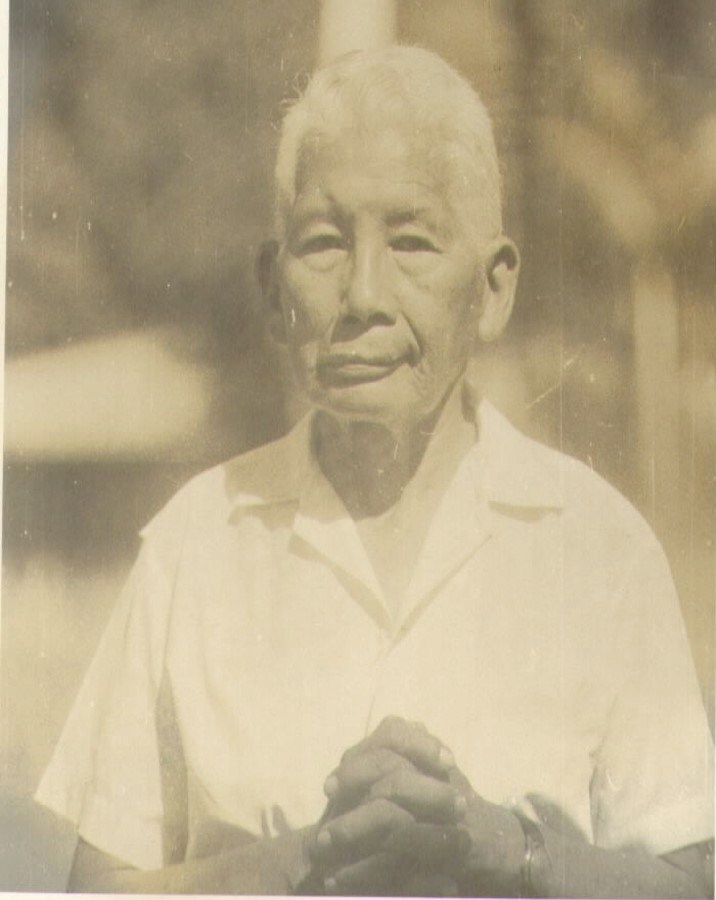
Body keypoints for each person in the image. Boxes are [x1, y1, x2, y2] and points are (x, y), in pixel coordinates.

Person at [36, 46, 713, 897]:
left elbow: (691, 880)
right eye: (323, 243)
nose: (362, 295)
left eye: (412, 242)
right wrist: (305, 861)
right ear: (272, 287)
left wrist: (509, 851)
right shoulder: (194, 546)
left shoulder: (601, 549)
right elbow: (95, 890)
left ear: (493, 290)